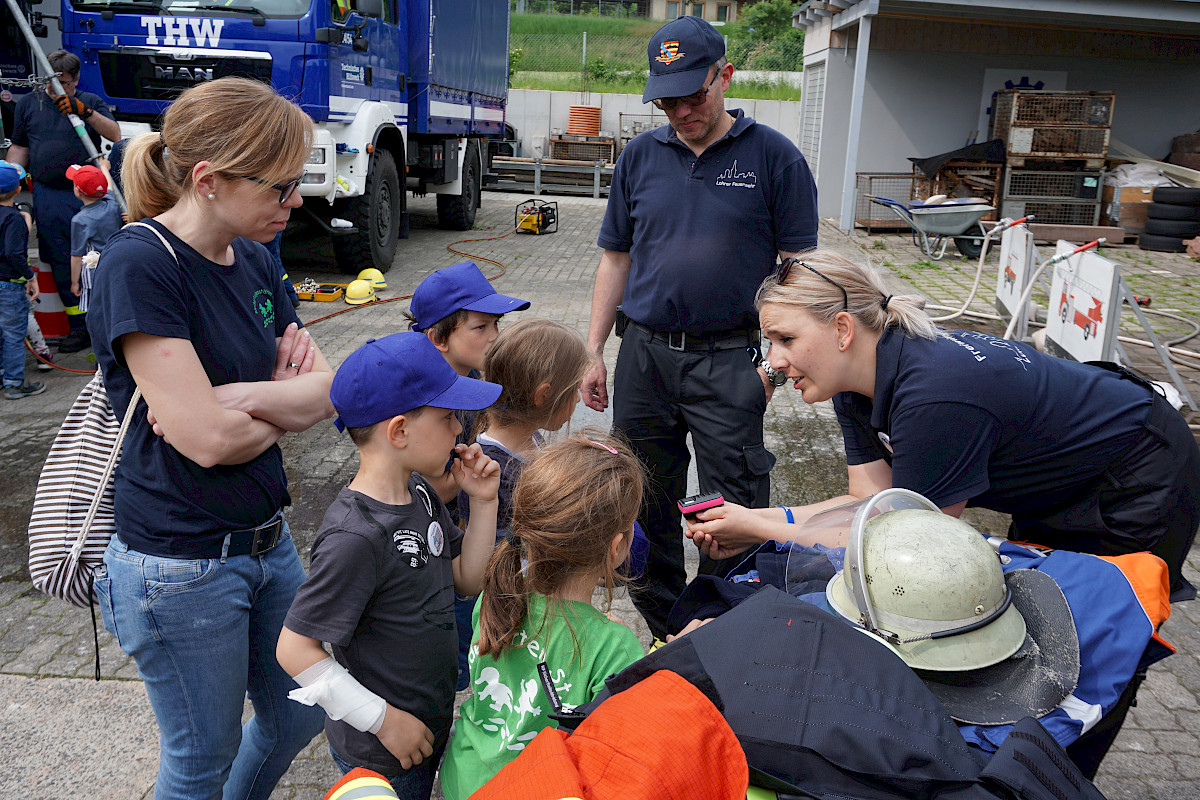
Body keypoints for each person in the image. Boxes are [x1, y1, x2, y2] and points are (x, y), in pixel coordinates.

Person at [685, 249, 1200, 602]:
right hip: (1058, 481)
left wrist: (756, 528)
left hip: (1136, 474)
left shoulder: (934, 398)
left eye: (785, 339)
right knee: (1045, 605)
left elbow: (900, 540)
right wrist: (757, 518)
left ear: (842, 329)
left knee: (1099, 628)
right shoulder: (854, 384)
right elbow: (868, 510)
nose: (773, 362)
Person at [86, 77, 334, 800]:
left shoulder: (254, 254)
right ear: (208, 179)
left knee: (296, 718)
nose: (296, 205)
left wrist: (244, 400)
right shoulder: (142, 264)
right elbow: (207, 443)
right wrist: (279, 407)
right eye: (282, 188)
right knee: (200, 759)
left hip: (266, 539)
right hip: (180, 564)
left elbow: (326, 390)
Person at [582, 15, 819, 638]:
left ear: (726, 77)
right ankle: (664, 626)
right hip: (644, 356)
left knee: (731, 504)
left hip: (729, 361)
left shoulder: (775, 159)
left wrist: (775, 362)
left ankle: (726, 624)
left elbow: (800, 274)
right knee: (644, 497)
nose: (681, 110)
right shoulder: (639, 156)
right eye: (667, 98)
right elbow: (616, 256)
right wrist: (591, 351)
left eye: (694, 94)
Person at [277, 331, 503, 800]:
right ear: (398, 431)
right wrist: (383, 721)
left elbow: (466, 579)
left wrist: (483, 503)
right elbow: (295, 649)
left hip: (427, 725)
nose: (460, 430)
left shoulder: (420, 492)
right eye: (447, 418)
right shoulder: (354, 538)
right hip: (384, 751)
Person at [439, 432, 647, 800]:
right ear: (617, 548)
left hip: (465, 780)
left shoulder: (494, 595)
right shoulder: (617, 649)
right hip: (540, 788)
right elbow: (616, 758)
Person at [452, 317, 593, 690]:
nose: (578, 399)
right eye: (574, 390)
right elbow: (498, 555)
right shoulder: (492, 467)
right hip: (508, 612)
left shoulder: (530, 444)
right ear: (543, 396)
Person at [7, 50, 122, 354]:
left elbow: (115, 133)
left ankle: (110, 320)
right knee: (60, 257)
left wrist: (84, 111)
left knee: (99, 255)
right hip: (49, 194)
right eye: (51, 85)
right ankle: (79, 326)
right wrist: (9, 180)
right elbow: (19, 146)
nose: (56, 91)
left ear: (76, 80)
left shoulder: (90, 101)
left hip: (90, 197)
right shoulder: (29, 104)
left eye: (64, 84)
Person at [0, 160, 43, 399]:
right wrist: (29, 276)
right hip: (9, 285)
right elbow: (13, 253)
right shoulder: (14, 218)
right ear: (18, 190)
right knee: (13, 334)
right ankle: (14, 382)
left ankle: (2, 375)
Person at [66, 159, 122, 307]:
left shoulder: (79, 220)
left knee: (94, 310)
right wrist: (104, 168)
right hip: (114, 267)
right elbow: (109, 187)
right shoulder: (111, 204)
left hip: (93, 273)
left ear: (78, 191)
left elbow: (77, 256)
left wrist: (74, 282)